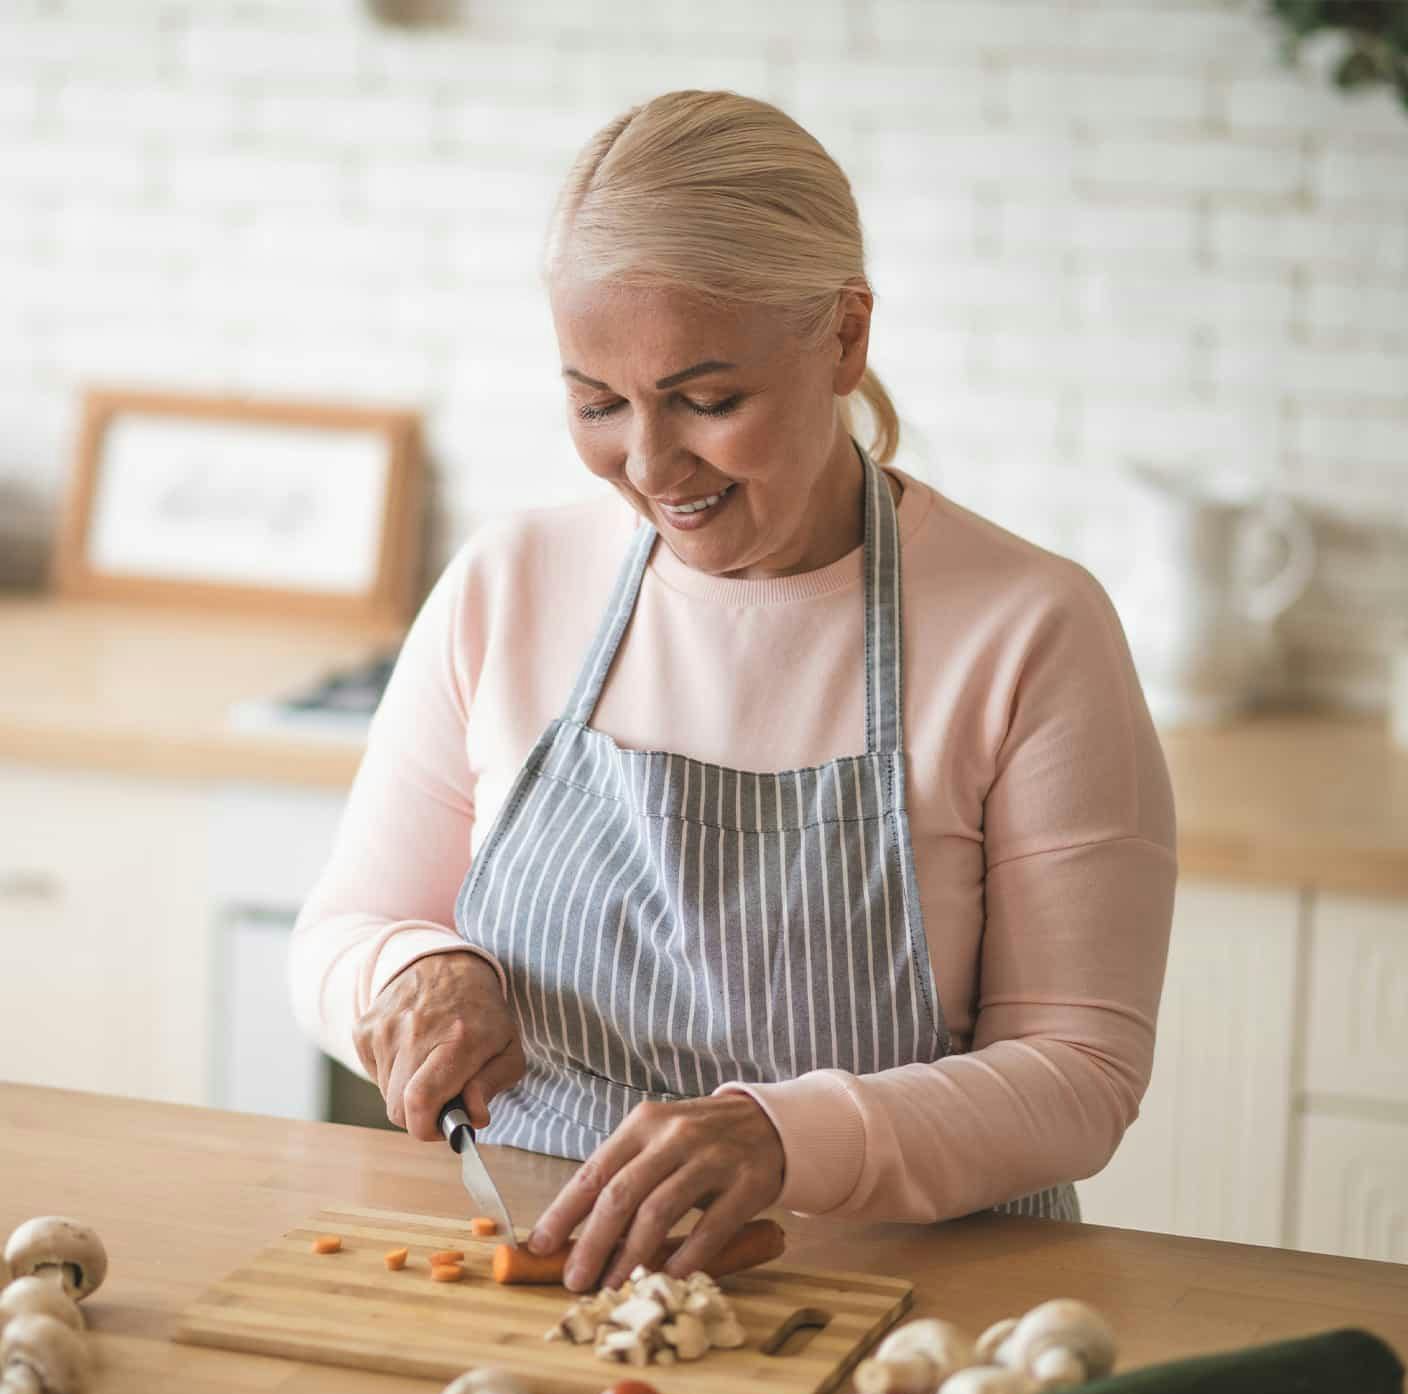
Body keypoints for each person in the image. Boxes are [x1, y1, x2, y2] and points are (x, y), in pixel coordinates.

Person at [289, 89, 1177, 1295]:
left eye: (708, 400)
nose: (649, 467)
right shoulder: (512, 581)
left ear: (845, 339)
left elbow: (1079, 1074)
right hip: (540, 1285)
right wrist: (406, 972)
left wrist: (779, 1136)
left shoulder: (1029, 628)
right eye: (597, 403)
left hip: (906, 1305)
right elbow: (339, 934)